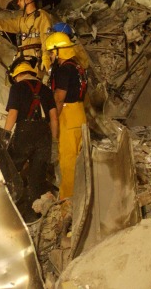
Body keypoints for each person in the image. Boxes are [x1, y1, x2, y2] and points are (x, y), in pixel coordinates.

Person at [4, 59, 58, 222]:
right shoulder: (47, 90)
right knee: (37, 178)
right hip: (44, 134)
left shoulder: (17, 88)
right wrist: (54, 141)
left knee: (10, 170)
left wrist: (5, 134)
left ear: (17, 75)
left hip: (24, 133)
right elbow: (54, 118)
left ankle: (8, 210)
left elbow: (13, 114)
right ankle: (34, 217)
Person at [44, 32, 88, 200]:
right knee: (79, 160)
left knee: (68, 162)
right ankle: (81, 196)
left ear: (59, 50)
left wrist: (52, 121)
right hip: (79, 114)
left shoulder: (64, 70)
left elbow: (59, 98)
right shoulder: (77, 67)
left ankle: (67, 201)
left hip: (68, 117)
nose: (50, 55)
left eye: (51, 52)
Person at [0, 0, 54, 75]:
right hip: (22, 58)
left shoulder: (42, 16)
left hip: (36, 59)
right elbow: (6, 24)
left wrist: (46, 56)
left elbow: (46, 38)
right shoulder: (22, 19)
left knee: (32, 85)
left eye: (20, 0)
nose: (18, 3)